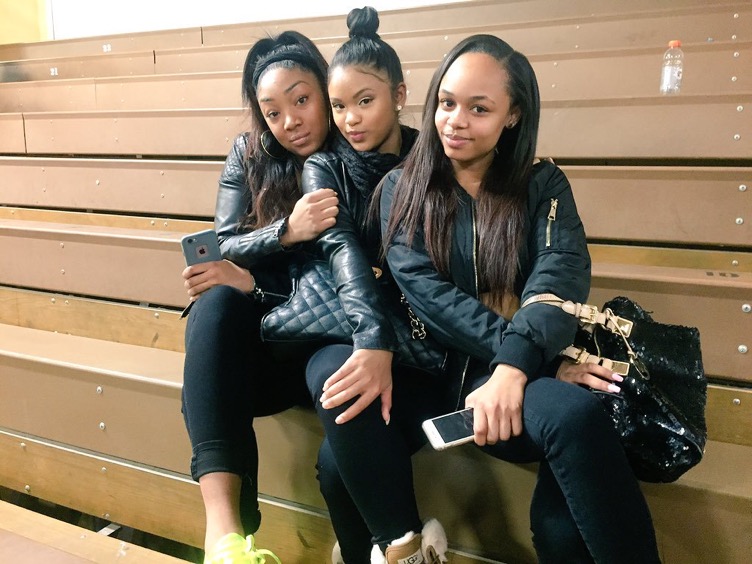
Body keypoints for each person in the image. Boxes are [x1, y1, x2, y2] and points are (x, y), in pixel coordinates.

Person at [380, 34, 661, 563]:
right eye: (446, 103)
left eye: (479, 109)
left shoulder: (542, 183)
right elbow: (432, 298)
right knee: (573, 421)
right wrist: (527, 361)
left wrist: (514, 368)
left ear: (513, 116)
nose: (455, 121)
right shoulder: (403, 188)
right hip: (447, 381)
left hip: (526, 376)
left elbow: (558, 276)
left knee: (561, 517)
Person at [180, 31, 339, 564]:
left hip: (323, 344)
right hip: (264, 346)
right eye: (272, 112)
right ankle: (226, 540)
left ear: (326, 91)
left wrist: (258, 282)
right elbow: (226, 243)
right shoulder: (248, 153)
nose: (289, 121)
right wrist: (286, 232)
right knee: (214, 305)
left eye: (302, 99)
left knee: (212, 364)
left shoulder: (355, 150)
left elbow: (352, 284)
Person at [302, 7, 448, 564]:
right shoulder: (324, 167)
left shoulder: (434, 158)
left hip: (426, 342)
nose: (350, 120)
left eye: (365, 101)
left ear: (400, 94)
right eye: (339, 106)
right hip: (351, 328)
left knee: (335, 465)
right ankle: (405, 550)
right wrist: (372, 341)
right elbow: (342, 252)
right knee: (336, 381)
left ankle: (371, 552)